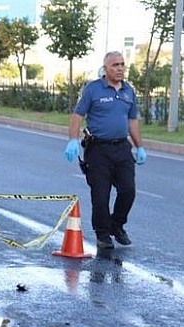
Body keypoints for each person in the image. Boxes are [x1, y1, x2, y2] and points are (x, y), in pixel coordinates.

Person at [64, 51, 147, 249]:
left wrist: (140, 146)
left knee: (128, 191)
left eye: (122, 64)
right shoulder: (93, 89)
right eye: (115, 65)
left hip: (122, 149)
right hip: (98, 150)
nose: (120, 68)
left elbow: (132, 120)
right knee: (100, 195)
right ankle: (102, 234)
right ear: (105, 68)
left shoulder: (128, 91)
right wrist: (72, 140)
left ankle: (116, 226)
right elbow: (77, 115)